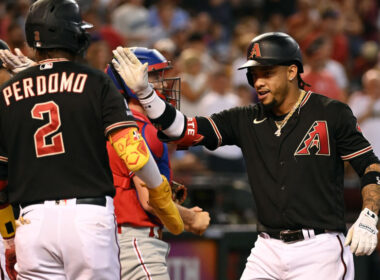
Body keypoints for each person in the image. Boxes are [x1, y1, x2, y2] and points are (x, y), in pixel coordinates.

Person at [112, 32, 380, 280]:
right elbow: (181, 128)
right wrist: (146, 93)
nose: (258, 81)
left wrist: (369, 215)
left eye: (267, 72)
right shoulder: (244, 118)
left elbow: (369, 166)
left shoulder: (331, 113)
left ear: (292, 71)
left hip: (319, 248)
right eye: (253, 74)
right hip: (267, 248)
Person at [0, 0, 183, 279]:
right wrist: (162, 196)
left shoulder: (8, 91)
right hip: (87, 217)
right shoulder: (96, 82)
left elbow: (1, 178)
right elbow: (133, 152)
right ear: (74, 35)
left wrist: (9, 235)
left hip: (32, 221)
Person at [107, 47, 210, 279]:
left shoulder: (115, 123)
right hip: (136, 238)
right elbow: (150, 201)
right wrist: (191, 218)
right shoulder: (142, 129)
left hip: (110, 238)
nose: (163, 83)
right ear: (126, 82)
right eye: (153, 76)